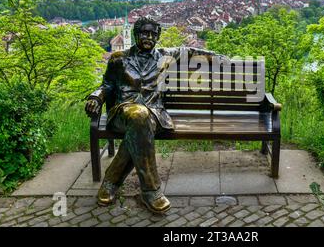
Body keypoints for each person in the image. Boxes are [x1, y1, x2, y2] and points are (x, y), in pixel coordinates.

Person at [85, 17, 226, 213]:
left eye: (152, 34)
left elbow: (191, 52)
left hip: (155, 115)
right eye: (144, 33)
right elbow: (107, 85)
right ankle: (150, 190)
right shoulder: (119, 58)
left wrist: (219, 57)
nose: (148, 37)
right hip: (121, 113)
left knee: (141, 121)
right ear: (136, 35)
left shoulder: (165, 56)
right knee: (138, 116)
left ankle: (111, 181)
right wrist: (96, 98)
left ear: (158, 36)